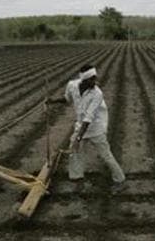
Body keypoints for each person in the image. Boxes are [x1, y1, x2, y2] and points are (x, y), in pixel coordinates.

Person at [47, 65, 126, 194]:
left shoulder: (97, 93)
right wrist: (52, 101)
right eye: (92, 79)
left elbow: (88, 118)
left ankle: (120, 179)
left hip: (96, 128)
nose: (95, 82)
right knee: (74, 152)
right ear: (84, 79)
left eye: (95, 79)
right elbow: (67, 99)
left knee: (105, 155)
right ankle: (76, 177)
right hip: (81, 125)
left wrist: (78, 138)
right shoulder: (72, 85)